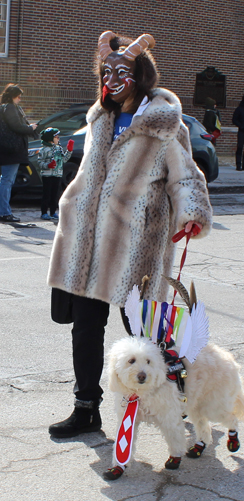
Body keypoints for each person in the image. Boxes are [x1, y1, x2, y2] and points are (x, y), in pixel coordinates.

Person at [47, 30, 213, 438]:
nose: (111, 79)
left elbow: (186, 177)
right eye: (106, 72)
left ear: (139, 75)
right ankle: (86, 407)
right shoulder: (100, 117)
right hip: (88, 243)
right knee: (85, 328)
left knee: (146, 334)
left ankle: (177, 401)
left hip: (138, 245)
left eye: (120, 71)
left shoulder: (163, 124)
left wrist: (191, 213)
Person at [0, 83, 38, 222]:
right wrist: (30, 128)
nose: (20, 99)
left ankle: (3, 210)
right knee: (7, 181)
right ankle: (4, 212)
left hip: (6, 149)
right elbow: (16, 126)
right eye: (18, 97)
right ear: (13, 97)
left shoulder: (3, 108)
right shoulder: (10, 108)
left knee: (5, 180)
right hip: (11, 150)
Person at [37, 127, 73, 220]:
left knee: (55, 194)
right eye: (56, 137)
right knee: (47, 194)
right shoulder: (44, 150)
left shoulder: (59, 148)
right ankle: (44, 212)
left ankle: (53, 212)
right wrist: (48, 165)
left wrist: (69, 151)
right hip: (47, 175)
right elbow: (40, 162)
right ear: (50, 138)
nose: (58, 138)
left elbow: (64, 159)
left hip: (57, 174)